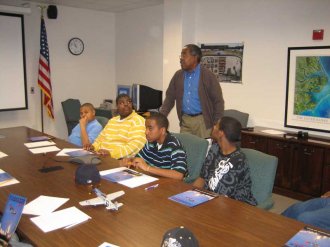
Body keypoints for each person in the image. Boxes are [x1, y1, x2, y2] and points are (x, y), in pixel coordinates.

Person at [160, 44, 225, 138]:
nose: (181, 58)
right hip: (185, 120)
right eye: (181, 56)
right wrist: (162, 117)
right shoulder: (178, 75)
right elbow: (169, 97)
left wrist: (216, 124)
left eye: (184, 55)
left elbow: (218, 102)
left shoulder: (208, 75)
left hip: (203, 121)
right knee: (184, 150)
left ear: (195, 57)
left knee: (204, 150)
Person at [193, 116, 257, 206]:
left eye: (216, 126)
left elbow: (223, 197)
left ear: (221, 133)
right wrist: (190, 195)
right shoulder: (214, 149)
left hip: (236, 207)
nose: (213, 127)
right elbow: (202, 178)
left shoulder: (238, 160)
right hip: (210, 200)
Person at [121, 112, 187, 180]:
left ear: (162, 130)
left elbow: (179, 175)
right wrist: (130, 160)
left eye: (150, 129)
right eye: (146, 128)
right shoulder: (151, 142)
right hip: (154, 179)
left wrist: (148, 168)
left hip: (171, 185)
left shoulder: (174, 146)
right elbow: (139, 158)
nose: (146, 132)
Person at [85, 94, 146, 159]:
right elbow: (100, 139)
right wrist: (93, 147)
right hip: (100, 155)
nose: (126, 104)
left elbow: (135, 146)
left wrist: (111, 154)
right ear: (117, 106)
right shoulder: (112, 121)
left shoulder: (138, 120)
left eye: (129, 102)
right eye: (122, 103)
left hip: (118, 159)